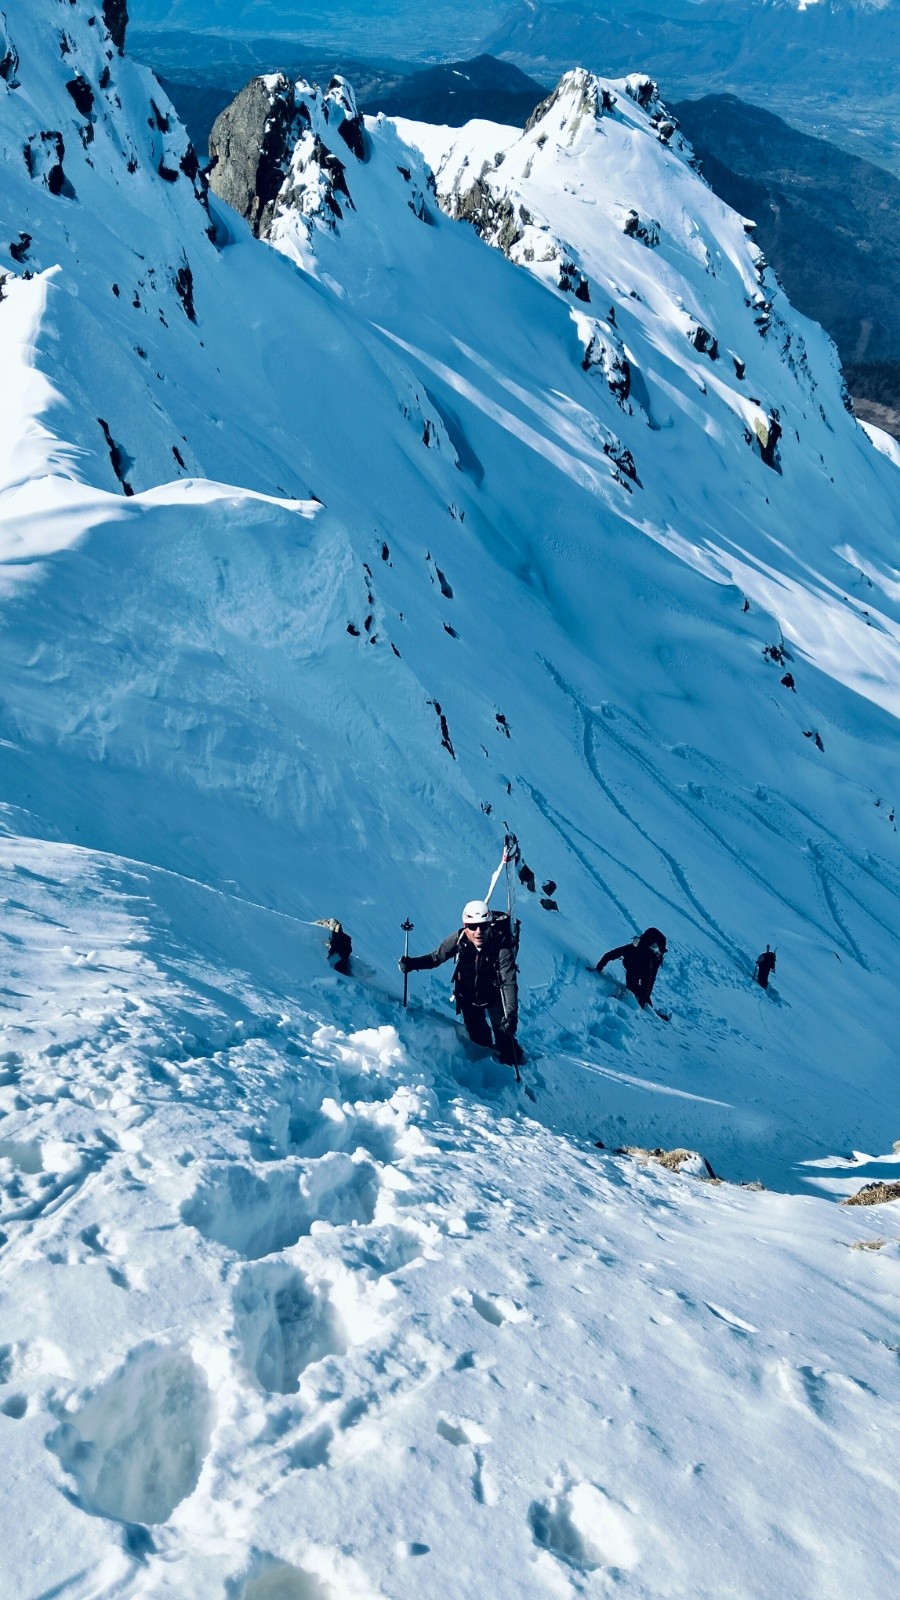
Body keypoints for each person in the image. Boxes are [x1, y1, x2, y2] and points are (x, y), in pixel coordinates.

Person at [399, 899, 521, 1071]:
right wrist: (412, 964)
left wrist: (511, 1015)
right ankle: (489, 1070)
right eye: (473, 926)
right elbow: (436, 957)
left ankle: (514, 1062)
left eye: (483, 926)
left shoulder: (502, 948)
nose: (478, 931)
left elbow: (509, 982)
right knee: (479, 1040)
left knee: (505, 1041)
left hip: (494, 996)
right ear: (465, 926)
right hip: (468, 996)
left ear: (490, 925)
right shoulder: (458, 939)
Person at [596, 926, 667, 1009]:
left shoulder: (648, 959)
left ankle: (644, 1002)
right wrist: (598, 968)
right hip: (635, 965)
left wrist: (642, 1001)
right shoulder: (635, 949)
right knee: (634, 986)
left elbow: (648, 982)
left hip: (641, 964)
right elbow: (611, 955)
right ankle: (641, 1000)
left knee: (640, 989)